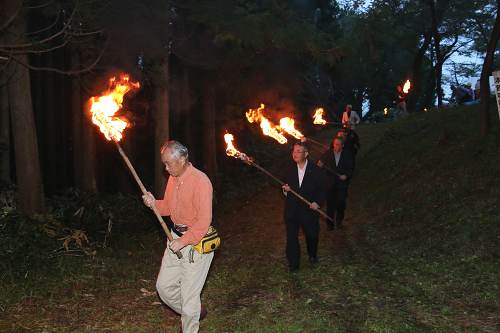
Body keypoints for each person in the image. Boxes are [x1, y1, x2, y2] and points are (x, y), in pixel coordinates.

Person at [142, 140, 213, 333]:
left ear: (182, 160)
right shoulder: (174, 178)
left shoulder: (201, 181)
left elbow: (204, 221)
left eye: (168, 163)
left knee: (189, 296)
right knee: (164, 288)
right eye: (164, 163)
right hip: (173, 238)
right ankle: (193, 312)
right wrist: (153, 203)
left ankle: (190, 322)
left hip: (195, 244)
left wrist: (183, 241)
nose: (165, 168)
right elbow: (168, 207)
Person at [281, 142, 326, 273]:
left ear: (306, 154)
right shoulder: (288, 168)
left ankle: (312, 254)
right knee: (291, 237)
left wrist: (317, 202)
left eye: (298, 151)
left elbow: (322, 190)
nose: (295, 153)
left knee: (312, 235)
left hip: (309, 210)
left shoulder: (316, 170)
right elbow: (282, 185)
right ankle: (293, 264)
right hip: (292, 210)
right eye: (294, 151)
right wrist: (285, 189)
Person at [318, 137, 353, 230]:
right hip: (329, 183)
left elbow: (350, 168)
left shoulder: (347, 154)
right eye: (335, 144)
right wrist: (320, 166)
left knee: (341, 202)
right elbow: (323, 165)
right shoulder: (327, 153)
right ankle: (330, 224)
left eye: (338, 144)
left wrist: (345, 175)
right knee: (330, 204)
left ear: (342, 145)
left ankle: (339, 220)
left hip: (341, 183)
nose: (336, 146)